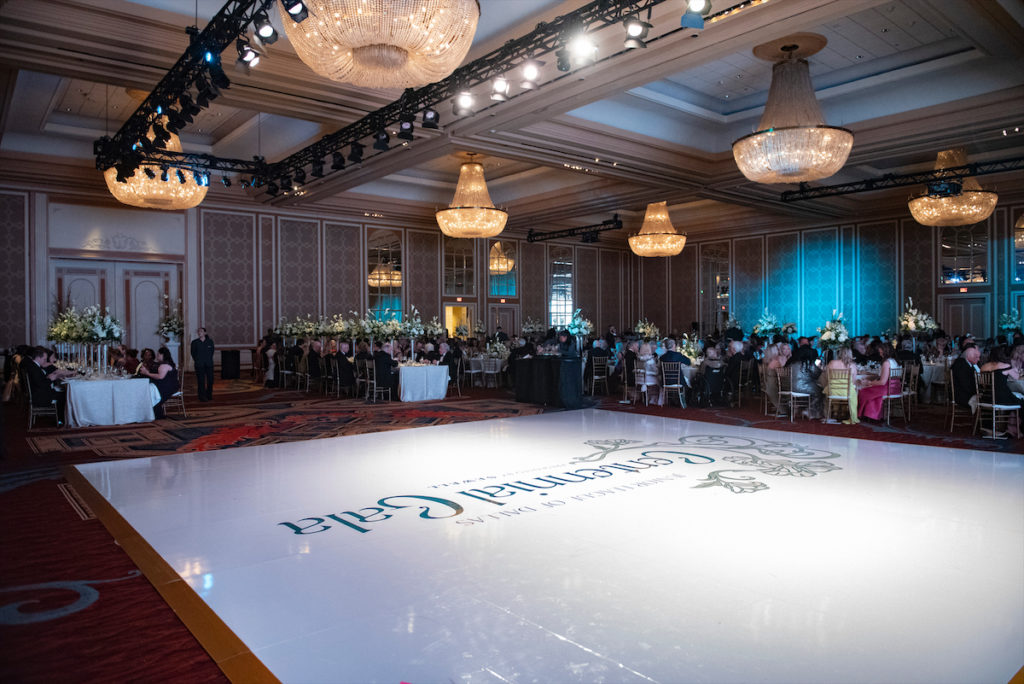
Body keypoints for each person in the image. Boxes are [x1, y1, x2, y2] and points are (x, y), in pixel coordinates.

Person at [858, 342, 901, 421]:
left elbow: (882, 382)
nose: (880, 354)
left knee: (863, 391)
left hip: (887, 389)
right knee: (870, 391)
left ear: (885, 352)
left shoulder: (886, 363)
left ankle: (868, 415)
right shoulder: (894, 361)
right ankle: (872, 415)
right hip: (895, 388)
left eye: (881, 352)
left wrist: (869, 383)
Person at [24, 346, 66, 423]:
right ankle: (60, 420)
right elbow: (41, 384)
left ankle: (60, 418)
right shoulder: (34, 368)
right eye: (44, 359)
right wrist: (50, 379)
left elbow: (39, 381)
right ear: (38, 358)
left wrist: (48, 377)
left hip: (38, 393)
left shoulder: (33, 366)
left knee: (61, 392)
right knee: (64, 395)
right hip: (40, 397)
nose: (45, 361)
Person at [138, 346, 179, 419]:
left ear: (163, 355)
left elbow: (160, 377)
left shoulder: (164, 365)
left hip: (169, 387)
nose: (157, 356)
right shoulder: (165, 363)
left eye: (158, 354)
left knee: (151, 391)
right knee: (150, 389)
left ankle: (155, 413)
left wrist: (147, 373)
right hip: (168, 384)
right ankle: (154, 412)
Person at [787, 345, 824, 419]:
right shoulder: (808, 363)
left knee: (814, 390)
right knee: (821, 391)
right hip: (804, 387)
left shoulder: (792, 363)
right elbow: (817, 374)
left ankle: (800, 408)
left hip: (790, 387)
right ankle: (809, 410)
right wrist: (820, 368)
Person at [824, 347, 859, 424]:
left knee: (828, 389)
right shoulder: (852, 365)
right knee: (854, 391)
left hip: (833, 390)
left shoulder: (832, 363)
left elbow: (827, 377)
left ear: (839, 354)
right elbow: (853, 381)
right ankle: (844, 412)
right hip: (846, 392)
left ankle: (835, 412)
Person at [557, 330, 583, 409]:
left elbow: (570, 353)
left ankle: (571, 401)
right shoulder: (562, 343)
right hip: (565, 365)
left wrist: (559, 351)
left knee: (570, 384)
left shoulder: (571, 343)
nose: (560, 339)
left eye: (562, 337)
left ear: (566, 337)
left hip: (572, 365)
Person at [950, 345, 981, 412]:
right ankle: (980, 421)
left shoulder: (967, 364)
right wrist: (978, 392)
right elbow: (965, 384)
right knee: (987, 400)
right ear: (968, 356)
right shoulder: (961, 365)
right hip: (961, 396)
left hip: (964, 393)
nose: (979, 359)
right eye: (976, 357)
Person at [190, 327, 214, 402]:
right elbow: (193, 353)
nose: (199, 332)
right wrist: (198, 360)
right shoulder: (194, 342)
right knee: (201, 381)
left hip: (209, 364)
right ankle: (202, 397)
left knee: (210, 380)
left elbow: (212, 352)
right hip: (199, 365)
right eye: (198, 331)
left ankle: (209, 395)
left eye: (201, 331)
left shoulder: (210, 342)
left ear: (205, 333)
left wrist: (207, 360)